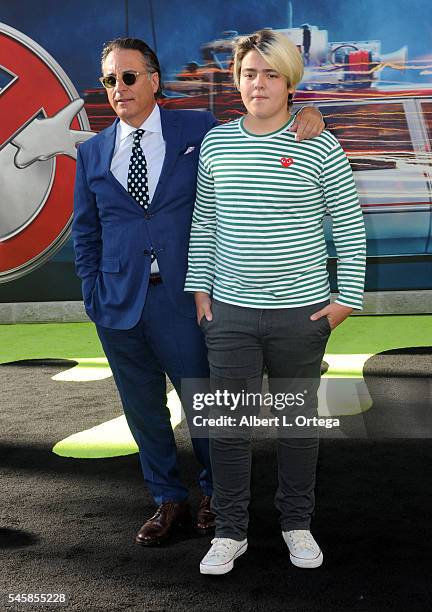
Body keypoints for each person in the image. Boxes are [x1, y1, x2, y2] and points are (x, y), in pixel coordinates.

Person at [72, 36, 326, 547]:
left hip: (185, 301)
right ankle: (168, 500)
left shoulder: (198, 130)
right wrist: (94, 297)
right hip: (119, 308)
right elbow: (87, 232)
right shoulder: (93, 151)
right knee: (143, 413)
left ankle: (215, 495)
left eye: (127, 77)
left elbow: (256, 126)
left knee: (206, 406)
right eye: (108, 80)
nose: (117, 89)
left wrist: (306, 110)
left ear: (153, 80)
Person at [185, 29, 366, 573]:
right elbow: (205, 220)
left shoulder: (319, 142)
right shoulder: (218, 143)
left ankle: (296, 524)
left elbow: (349, 224)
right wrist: (201, 291)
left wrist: (345, 301)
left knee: (295, 429)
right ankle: (232, 532)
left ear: (289, 81)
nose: (258, 83)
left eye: (270, 73)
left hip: (301, 317)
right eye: (248, 73)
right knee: (231, 430)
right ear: (236, 80)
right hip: (231, 317)